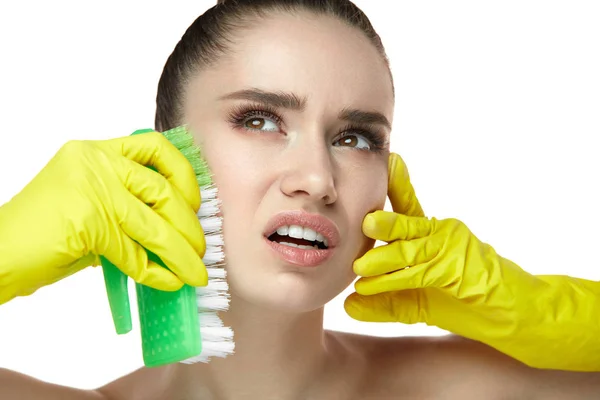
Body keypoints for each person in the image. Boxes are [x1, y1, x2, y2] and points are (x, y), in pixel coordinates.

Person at [1, 0, 599, 398]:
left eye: (354, 137)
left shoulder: (466, 388)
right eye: (259, 120)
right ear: (158, 155)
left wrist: (536, 311)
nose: (316, 177)